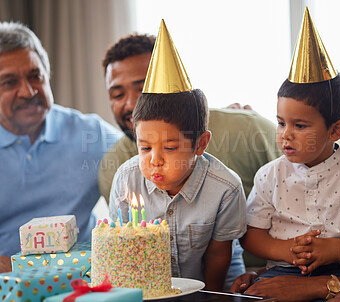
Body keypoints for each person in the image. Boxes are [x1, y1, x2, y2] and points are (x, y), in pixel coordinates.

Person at [232, 16, 340, 302]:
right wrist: (282, 255)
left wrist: (336, 250)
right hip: (283, 270)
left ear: (336, 130)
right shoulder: (270, 175)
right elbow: (251, 234)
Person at [98, 33, 281, 289]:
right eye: (145, 147)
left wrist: (212, 295)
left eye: (170, 148)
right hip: (151, 287)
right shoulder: (125, 177)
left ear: (201, 144)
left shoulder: (225, 186)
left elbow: (219, 255)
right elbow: (124, 248)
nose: (155, 160)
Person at [0, 21, 122, 272]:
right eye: (9, 82)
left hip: (83, 281)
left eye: (36, 76)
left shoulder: (91, 134)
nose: (28, 91)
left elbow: (145, 151)